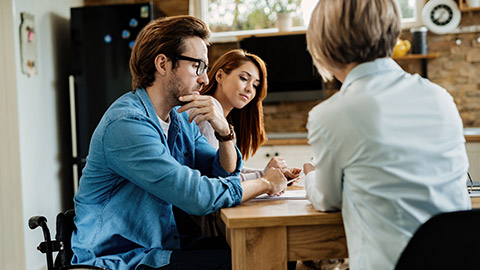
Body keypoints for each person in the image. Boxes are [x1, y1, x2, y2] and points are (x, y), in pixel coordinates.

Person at [71, 15, 287, 270]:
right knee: (256, 262)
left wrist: (224, 132)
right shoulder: (127, 124)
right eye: (198, 66)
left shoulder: (179, 118)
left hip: (162, 245)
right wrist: (265, 183)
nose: (205, 79)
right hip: (120, 260)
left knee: (265, 250)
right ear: (163, 64)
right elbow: (198, 196)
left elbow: (222, 171)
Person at [302, 1, 471, 270]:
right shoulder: (440, 97)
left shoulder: (330, 114)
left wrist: (311, 174)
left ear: (324, 44)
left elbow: (327, 200)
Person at [181, 49, 300, 182]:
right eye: (244, 78)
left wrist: (272, 173)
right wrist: (265, 176)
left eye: (255, 85)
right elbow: (218, 179)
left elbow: (233, 171)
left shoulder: (225, 125)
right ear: (220, 76)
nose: (250, 89)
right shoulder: (207, 112)